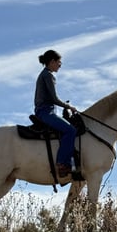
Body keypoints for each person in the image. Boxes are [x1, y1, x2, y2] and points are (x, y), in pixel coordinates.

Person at [34, 49, 78, 178]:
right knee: (71, 130)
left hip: (45, 111)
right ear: (52, 61)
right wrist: (69, 106)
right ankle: (62, 163)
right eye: (59, 62)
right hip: (46, 112)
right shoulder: (48, 75)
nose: (60, 65)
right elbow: (54, 99)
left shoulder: (44, 74)